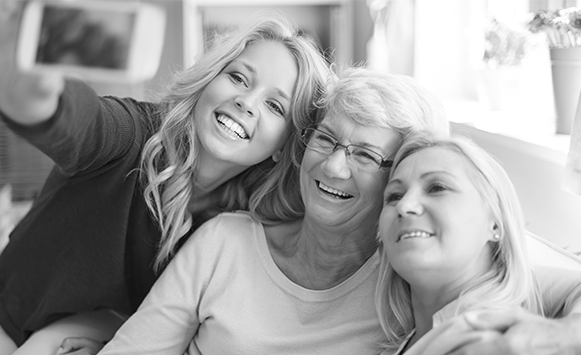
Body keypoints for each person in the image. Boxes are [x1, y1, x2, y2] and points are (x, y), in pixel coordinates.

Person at [62, 66, 581, 355]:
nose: (333, 168)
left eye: (365, 156)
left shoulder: (413, 272)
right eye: (327, 139)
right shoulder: (225, 243)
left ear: (397, 180)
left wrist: (556, 336)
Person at [0, 1, 330, 354]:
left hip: (107, 324)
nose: (247, 102)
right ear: (209, 80)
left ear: (284, 145)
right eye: (238, 77)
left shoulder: (249, 221)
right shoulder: (133, 134)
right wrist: (27, 77)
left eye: (275, 105)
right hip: (17, 308)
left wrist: (115, 342)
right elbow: (72, 120)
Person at [375, 132, 581, 355]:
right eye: (394, 195)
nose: (405, 205)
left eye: (437, 188)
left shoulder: (503, 342)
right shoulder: (399, 341)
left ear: (496, 223)